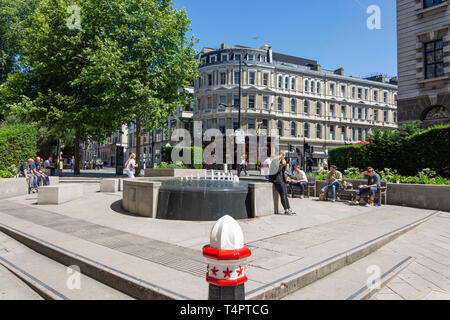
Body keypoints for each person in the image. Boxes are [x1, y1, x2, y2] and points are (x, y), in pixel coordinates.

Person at [268, 151, 296, 216]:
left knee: (285, 195)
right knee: (283, 195)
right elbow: (276, 171)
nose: (284, 157)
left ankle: (289, 209)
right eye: (284, 155)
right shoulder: (274, 161)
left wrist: (284, 165)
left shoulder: (279, 162)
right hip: (277, 180)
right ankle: (286, 210)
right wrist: (283, 165)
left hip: (282, 180)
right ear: (281, 155)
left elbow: (283, 171)